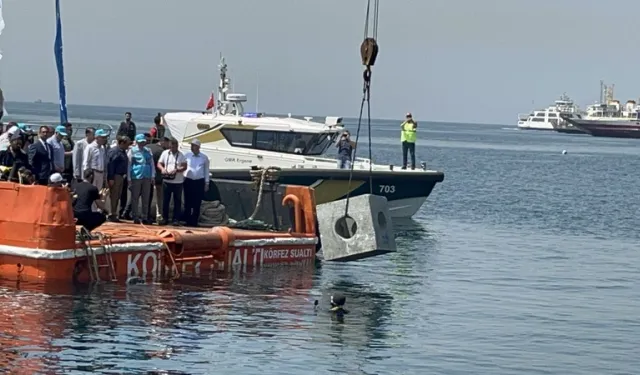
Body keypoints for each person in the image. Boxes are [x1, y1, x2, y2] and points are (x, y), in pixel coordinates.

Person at [157, 137, 187, 225]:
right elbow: (159, 163)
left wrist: (177, 170)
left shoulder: (181, 155)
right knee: (165, 201)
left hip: (178, 182)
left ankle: (175, 219)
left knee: (177, 201)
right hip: (167, 181)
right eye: (172, 147)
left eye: (175, 147)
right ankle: (165, 218)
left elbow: (185, 166)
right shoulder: (165, 153)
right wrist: (162, 169)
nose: (173, 148)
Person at [127, 134, 155, 224]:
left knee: (145, 197)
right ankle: (135, 215)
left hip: (146, 175)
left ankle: (144, 216)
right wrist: (129, 177)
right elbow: (129, 164)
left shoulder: (148, 151)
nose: (142, 143)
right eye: (140, 142)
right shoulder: (132, 151)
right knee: (135, 197)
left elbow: (152, 164)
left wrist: (152, 176)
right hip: (136, 175)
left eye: (143, 142)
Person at [183, 139, 210, 227]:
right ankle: (187, 220)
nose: (192, 147)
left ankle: (194, 221)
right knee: (188, 201)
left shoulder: (204, 157)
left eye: (194, 146)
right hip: (188, 180)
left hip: (199, 181)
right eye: (191, 146)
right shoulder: (187, 155)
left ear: (198, 147)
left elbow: (206, 170)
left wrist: (207, 183)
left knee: (197, 202)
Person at [106, 136, 130, 222]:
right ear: (122, 143)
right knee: (114, 196)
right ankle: (111, 213)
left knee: (117, 196)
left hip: (121, 176)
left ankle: (114, 213)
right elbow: (111, 164)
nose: (128, 146)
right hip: (116, 176)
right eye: (127, 144)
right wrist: (111, 178)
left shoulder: (123, 151)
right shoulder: (115, 151)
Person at [147, 136, 169, 223]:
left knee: (146, 197)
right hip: (158, 178)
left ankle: (146, 214)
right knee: (159, 198)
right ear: (163, 142)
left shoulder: (148, 147)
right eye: (168, 144)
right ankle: (158, 215)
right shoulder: (162, 151)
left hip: (145, 176)